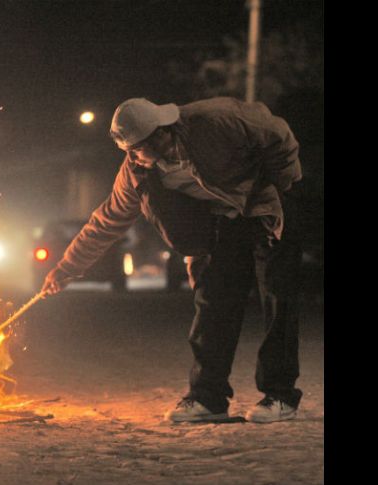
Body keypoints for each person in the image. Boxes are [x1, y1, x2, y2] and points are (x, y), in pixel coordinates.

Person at [41, 97, 304, 424]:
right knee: (213, 302)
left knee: (276, 295)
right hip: (224, 221)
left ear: (161, 135)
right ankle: (209, 399)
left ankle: (280, 396)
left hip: (268, 208)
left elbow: (276, 132)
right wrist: (66, 269)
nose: (132, 158)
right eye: (127, 151)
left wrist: (283, 182)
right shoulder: (138, 173)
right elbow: (106, 222)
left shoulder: (214, 122)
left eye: (136, 149)